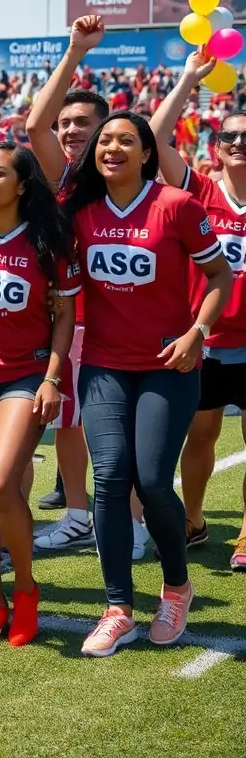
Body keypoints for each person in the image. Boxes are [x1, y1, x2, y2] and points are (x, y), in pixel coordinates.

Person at [64, 112, 232, 656]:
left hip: (169, 366)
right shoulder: (79, 212)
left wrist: (197, 332)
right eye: (104, 140)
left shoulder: (178, 206)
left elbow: (219, 277)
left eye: (125, 140)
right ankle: (118, 609)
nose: (112, 148)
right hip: (104, 367)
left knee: (154, 482)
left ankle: (177, 587)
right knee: (110, 479)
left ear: (146, 153)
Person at [26, 15, 149, 554]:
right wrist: (74, 50)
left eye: (84, 123)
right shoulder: (62, 176)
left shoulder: (131, 176)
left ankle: (135, 519)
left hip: (129, 323)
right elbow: (35, 127)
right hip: (70, 317)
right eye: (66, 123)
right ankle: (78, 514)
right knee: (71, 422)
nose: (71, 131)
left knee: (127, 431)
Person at [0, 145, 79, 648]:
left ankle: (26, 591)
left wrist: (52, 378)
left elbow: (64, 316)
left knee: (4, 483)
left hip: (27, 375)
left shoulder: (50, 242)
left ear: (23, 185)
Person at [150, 50, 246, 572]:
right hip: (204, 340)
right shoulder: (200, 190)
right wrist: (188, 78)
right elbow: (156, 139)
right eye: (230, 137)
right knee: (202, 434)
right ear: (215, 146)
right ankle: (195, 518)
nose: (238, 145)